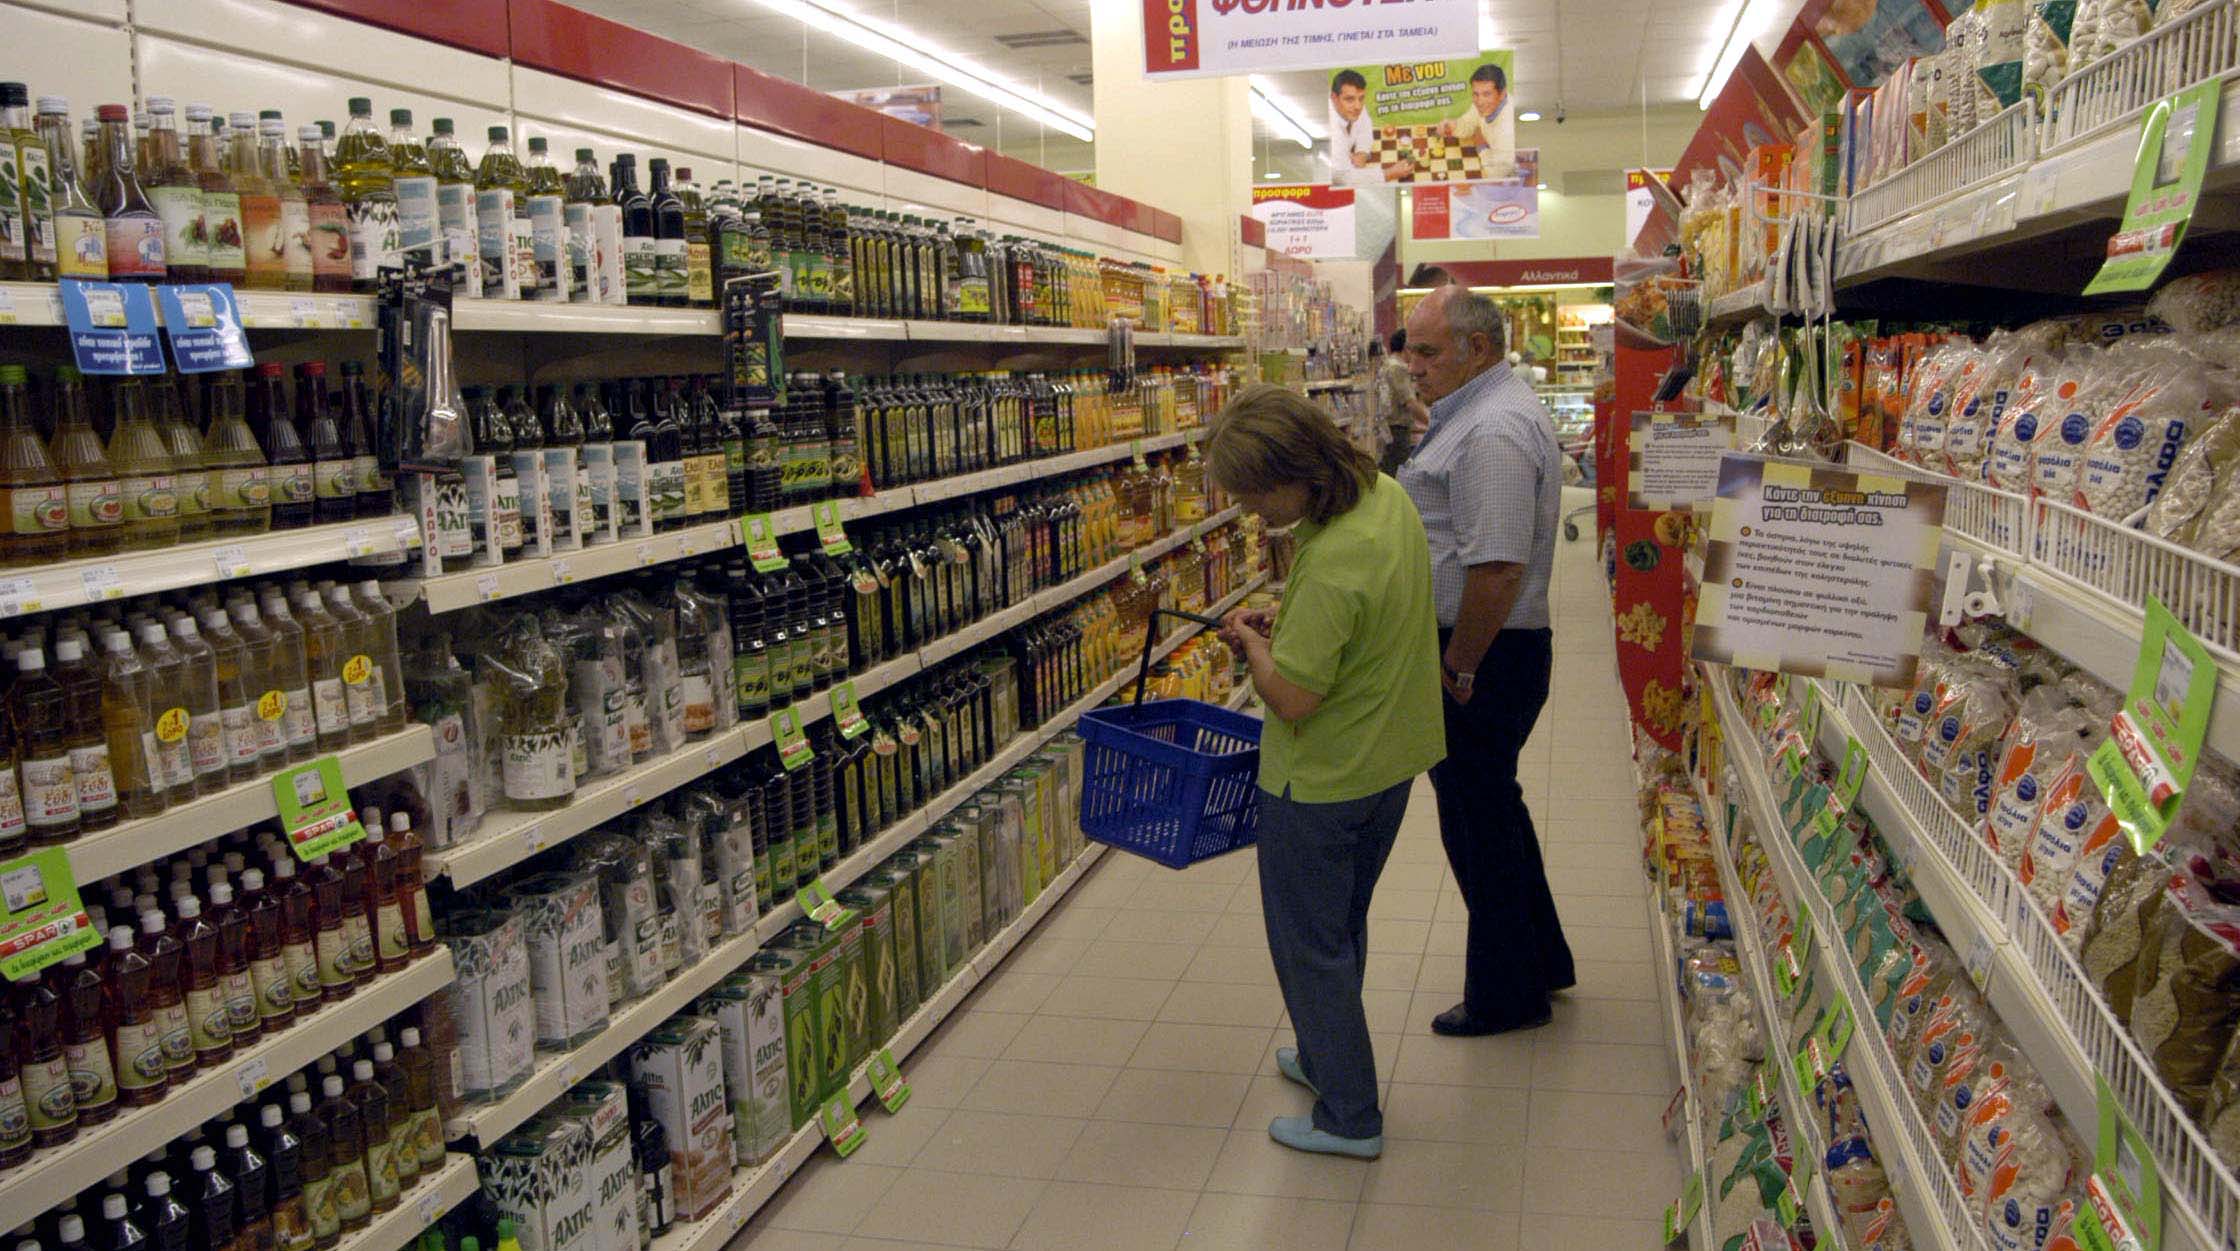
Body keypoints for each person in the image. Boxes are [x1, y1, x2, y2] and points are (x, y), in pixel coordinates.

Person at [1208, 384, 1444, 1159]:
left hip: (1323, 779)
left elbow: (1293, 698)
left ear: (1291, 474)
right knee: (1340, 927)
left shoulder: (1334, 558)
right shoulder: (1383, 497)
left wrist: (1254, 646)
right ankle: (1322, 1053)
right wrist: (1292, 622)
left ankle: (1349, 1114)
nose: (1249, 511)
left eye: (1253, 494)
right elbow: (1366, 619)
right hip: (1390, 758)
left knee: (1309, 946)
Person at [1396, 285, 1574, 1036]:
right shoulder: (1475, 412)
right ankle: (1541, 958)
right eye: (1409, 348)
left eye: (1426, 351)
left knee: (1477, 822)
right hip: (1487, 648)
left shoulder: (1492, 430)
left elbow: (1496, 568)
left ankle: (1508, 994)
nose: (1411, 365)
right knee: (1495, 807)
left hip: (1485, 651)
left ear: (1477, 348)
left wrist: (1460, 665)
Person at [1327, 69, 1413, 185]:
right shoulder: (1332, 130)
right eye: (1350, 99)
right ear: (1334, 98)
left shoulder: (1354, 107)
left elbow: (1365, 127)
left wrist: (1362, 152)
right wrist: (1389, 173)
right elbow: (1342, 178)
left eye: (1361, 98)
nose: (1358, 106)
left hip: (1349, 162)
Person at [1438, 62, 1517, 181]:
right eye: (1476, 94)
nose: (1479, 102)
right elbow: (1468, 124)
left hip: (1506, 182)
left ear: (1502, 94)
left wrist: (1481, 146)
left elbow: (1497, 172)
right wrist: (1452, 126)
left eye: (1487, 94)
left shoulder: (1507, 129)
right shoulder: (1485, 106)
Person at [1373, 331, 1430, 475]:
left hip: (1386, 429)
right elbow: (1409, 402)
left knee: (1388, 470)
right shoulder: (1398, 368)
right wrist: (1431, 423)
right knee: (1399, 475)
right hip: (1397, 431)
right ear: (1407, 347)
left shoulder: (1386, 365)